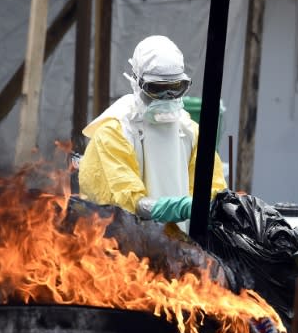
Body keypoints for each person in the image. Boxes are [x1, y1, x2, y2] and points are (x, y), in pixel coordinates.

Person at [78, 35, 227, 229]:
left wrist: (207, 207)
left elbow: (213, 189)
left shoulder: (190, 131)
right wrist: (163, 209)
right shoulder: (115, 131)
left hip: (182, 249)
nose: (167, 97)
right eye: (157, 89)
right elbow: (118, 197)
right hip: (127, 249)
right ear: (136, 83)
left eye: (176, 88)